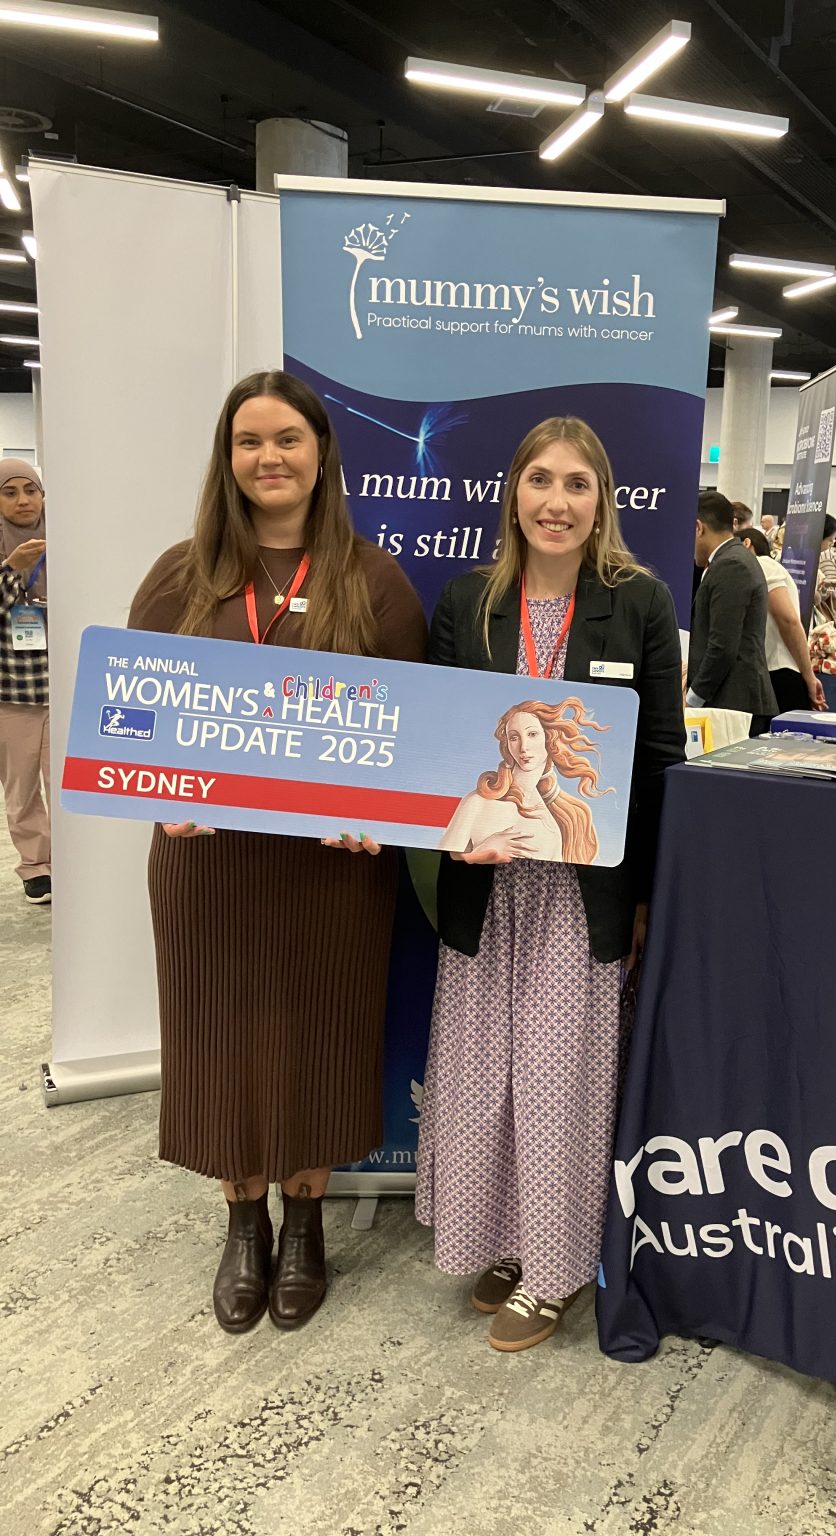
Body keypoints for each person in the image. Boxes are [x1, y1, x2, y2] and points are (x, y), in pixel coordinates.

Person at [128, 371, 427, 1335]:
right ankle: (242, 1221)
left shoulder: (374, 582)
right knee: (219, 1039)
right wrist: (161, 798)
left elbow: (410, 736)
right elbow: (134, 723)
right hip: (209, 867)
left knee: (321, 1037)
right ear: (228, 459)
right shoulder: (180, 576)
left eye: (288, 438)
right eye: (249, 441)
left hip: (331, 872)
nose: (270, 458)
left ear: (322, 453)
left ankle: (304, 1223)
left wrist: (379, 809)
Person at [416, 415, 684, 1352]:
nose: (556, 502)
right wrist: (456, 834)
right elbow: (438, 747)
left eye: (576, 483)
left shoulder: (639, 603)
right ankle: (502, 1237)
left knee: (559, 1075)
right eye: (540, 480)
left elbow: (660, 759)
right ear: (513, 494)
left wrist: (647, 893)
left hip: (582, 888)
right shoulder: (467, 601)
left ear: (601, 501)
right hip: (488, 887)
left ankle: (557, 1263)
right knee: (482, 1069)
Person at [438, 698, 606, 862]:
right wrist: (480, 854)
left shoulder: (553, 822)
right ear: (508, 745)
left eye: (532, 734)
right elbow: (448, 857)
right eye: (514, 737)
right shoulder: (477, 802)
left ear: (549, 738)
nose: (523, 747)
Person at [0, 459, 51, 904]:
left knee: (66, 780)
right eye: (9, 492)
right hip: (12, 693)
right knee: (21, 787)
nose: (22, 501)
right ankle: (35, 866)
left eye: (31, 490)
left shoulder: (65, 539)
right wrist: (10, 570)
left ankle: (75, 862)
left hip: (64, 686)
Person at [687, 490, 776, 735]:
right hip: (732, 703)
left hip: (735, 705)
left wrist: (692, 699)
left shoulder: (731, 565)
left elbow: (723, 646)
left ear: (698, 528)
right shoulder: (730, 560)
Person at [740, 524, 826, 714]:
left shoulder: (763, 564)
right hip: (768, 673)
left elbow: (789, 621)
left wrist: (809, 676)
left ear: (747, 544)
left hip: (780, 672)